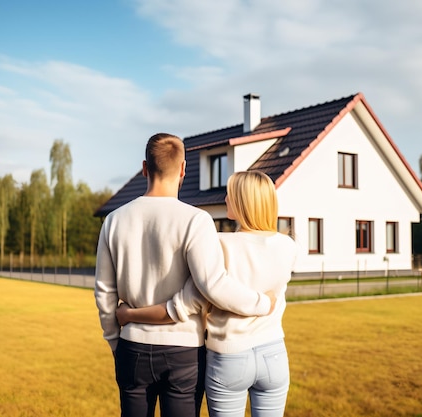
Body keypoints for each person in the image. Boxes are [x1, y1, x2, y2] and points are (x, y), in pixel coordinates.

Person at [94, 133, 276, 417]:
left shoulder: (114, 220)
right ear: (182, 170)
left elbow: (104, 293)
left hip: (132, 347)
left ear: (144, 168)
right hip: (183, 352)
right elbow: (212, 284)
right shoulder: (196, 220)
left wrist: (116, 341)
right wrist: (262, 304)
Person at [117, 170, 298, 417]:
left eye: (230, 194)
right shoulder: (287, 246)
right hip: (274, 354)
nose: (225, 199)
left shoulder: (219, 245)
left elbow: (182, 305)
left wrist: (130, 314)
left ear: (245, 202)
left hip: (230, 358)